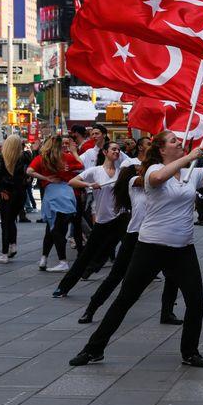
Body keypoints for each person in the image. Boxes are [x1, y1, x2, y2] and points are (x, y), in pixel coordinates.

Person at [69, 123, 203, 368]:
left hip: (183, 248)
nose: (180, 143)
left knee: (195, 301)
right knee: (125, 299)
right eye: (174, 141)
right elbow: (157, 179)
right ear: (162, 150)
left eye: (179, 141)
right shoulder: (153, 169)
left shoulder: (191, 174)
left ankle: (190, 351)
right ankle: (94, 349)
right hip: (151, 246)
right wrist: (189, 156)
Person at [77, 137, 181, 325]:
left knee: (172, 275)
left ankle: (167, 312)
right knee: (116, 276)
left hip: (159, 234)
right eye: (140, 168)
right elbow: (153, 178)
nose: (143, 169)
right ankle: (91, 309)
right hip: (135, 236)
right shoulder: (135, 180)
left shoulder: (159, 177)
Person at [52, 142, 132, 297]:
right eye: (113, 149)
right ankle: (64, 287)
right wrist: (89, 185)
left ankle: (133, 285)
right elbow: (72, 181)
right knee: (86, 255)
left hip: (121, 217)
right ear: (105, 151)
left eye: (118, 149)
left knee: (131, 250)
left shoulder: (122, 173)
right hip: (102, 220)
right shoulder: (95, 171)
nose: (117, 151)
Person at [27, 136, 83, 272]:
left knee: (52, 228)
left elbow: (29, 171)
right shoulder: (66, 157)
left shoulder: (42, 158)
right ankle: (57, 260)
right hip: (66, 194)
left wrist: (45, 178)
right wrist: (74, 152)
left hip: (51, 193)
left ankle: (46, 259)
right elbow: (81, 166)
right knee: (57, 229)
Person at [0, 135, 31, 263]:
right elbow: (27, 175)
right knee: (12, 220)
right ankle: (12, 246)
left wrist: (3, 189)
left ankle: (4, 254)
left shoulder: (2, 157)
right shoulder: (25, 156)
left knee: (5, 222)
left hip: (7, 193)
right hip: (20, 193)